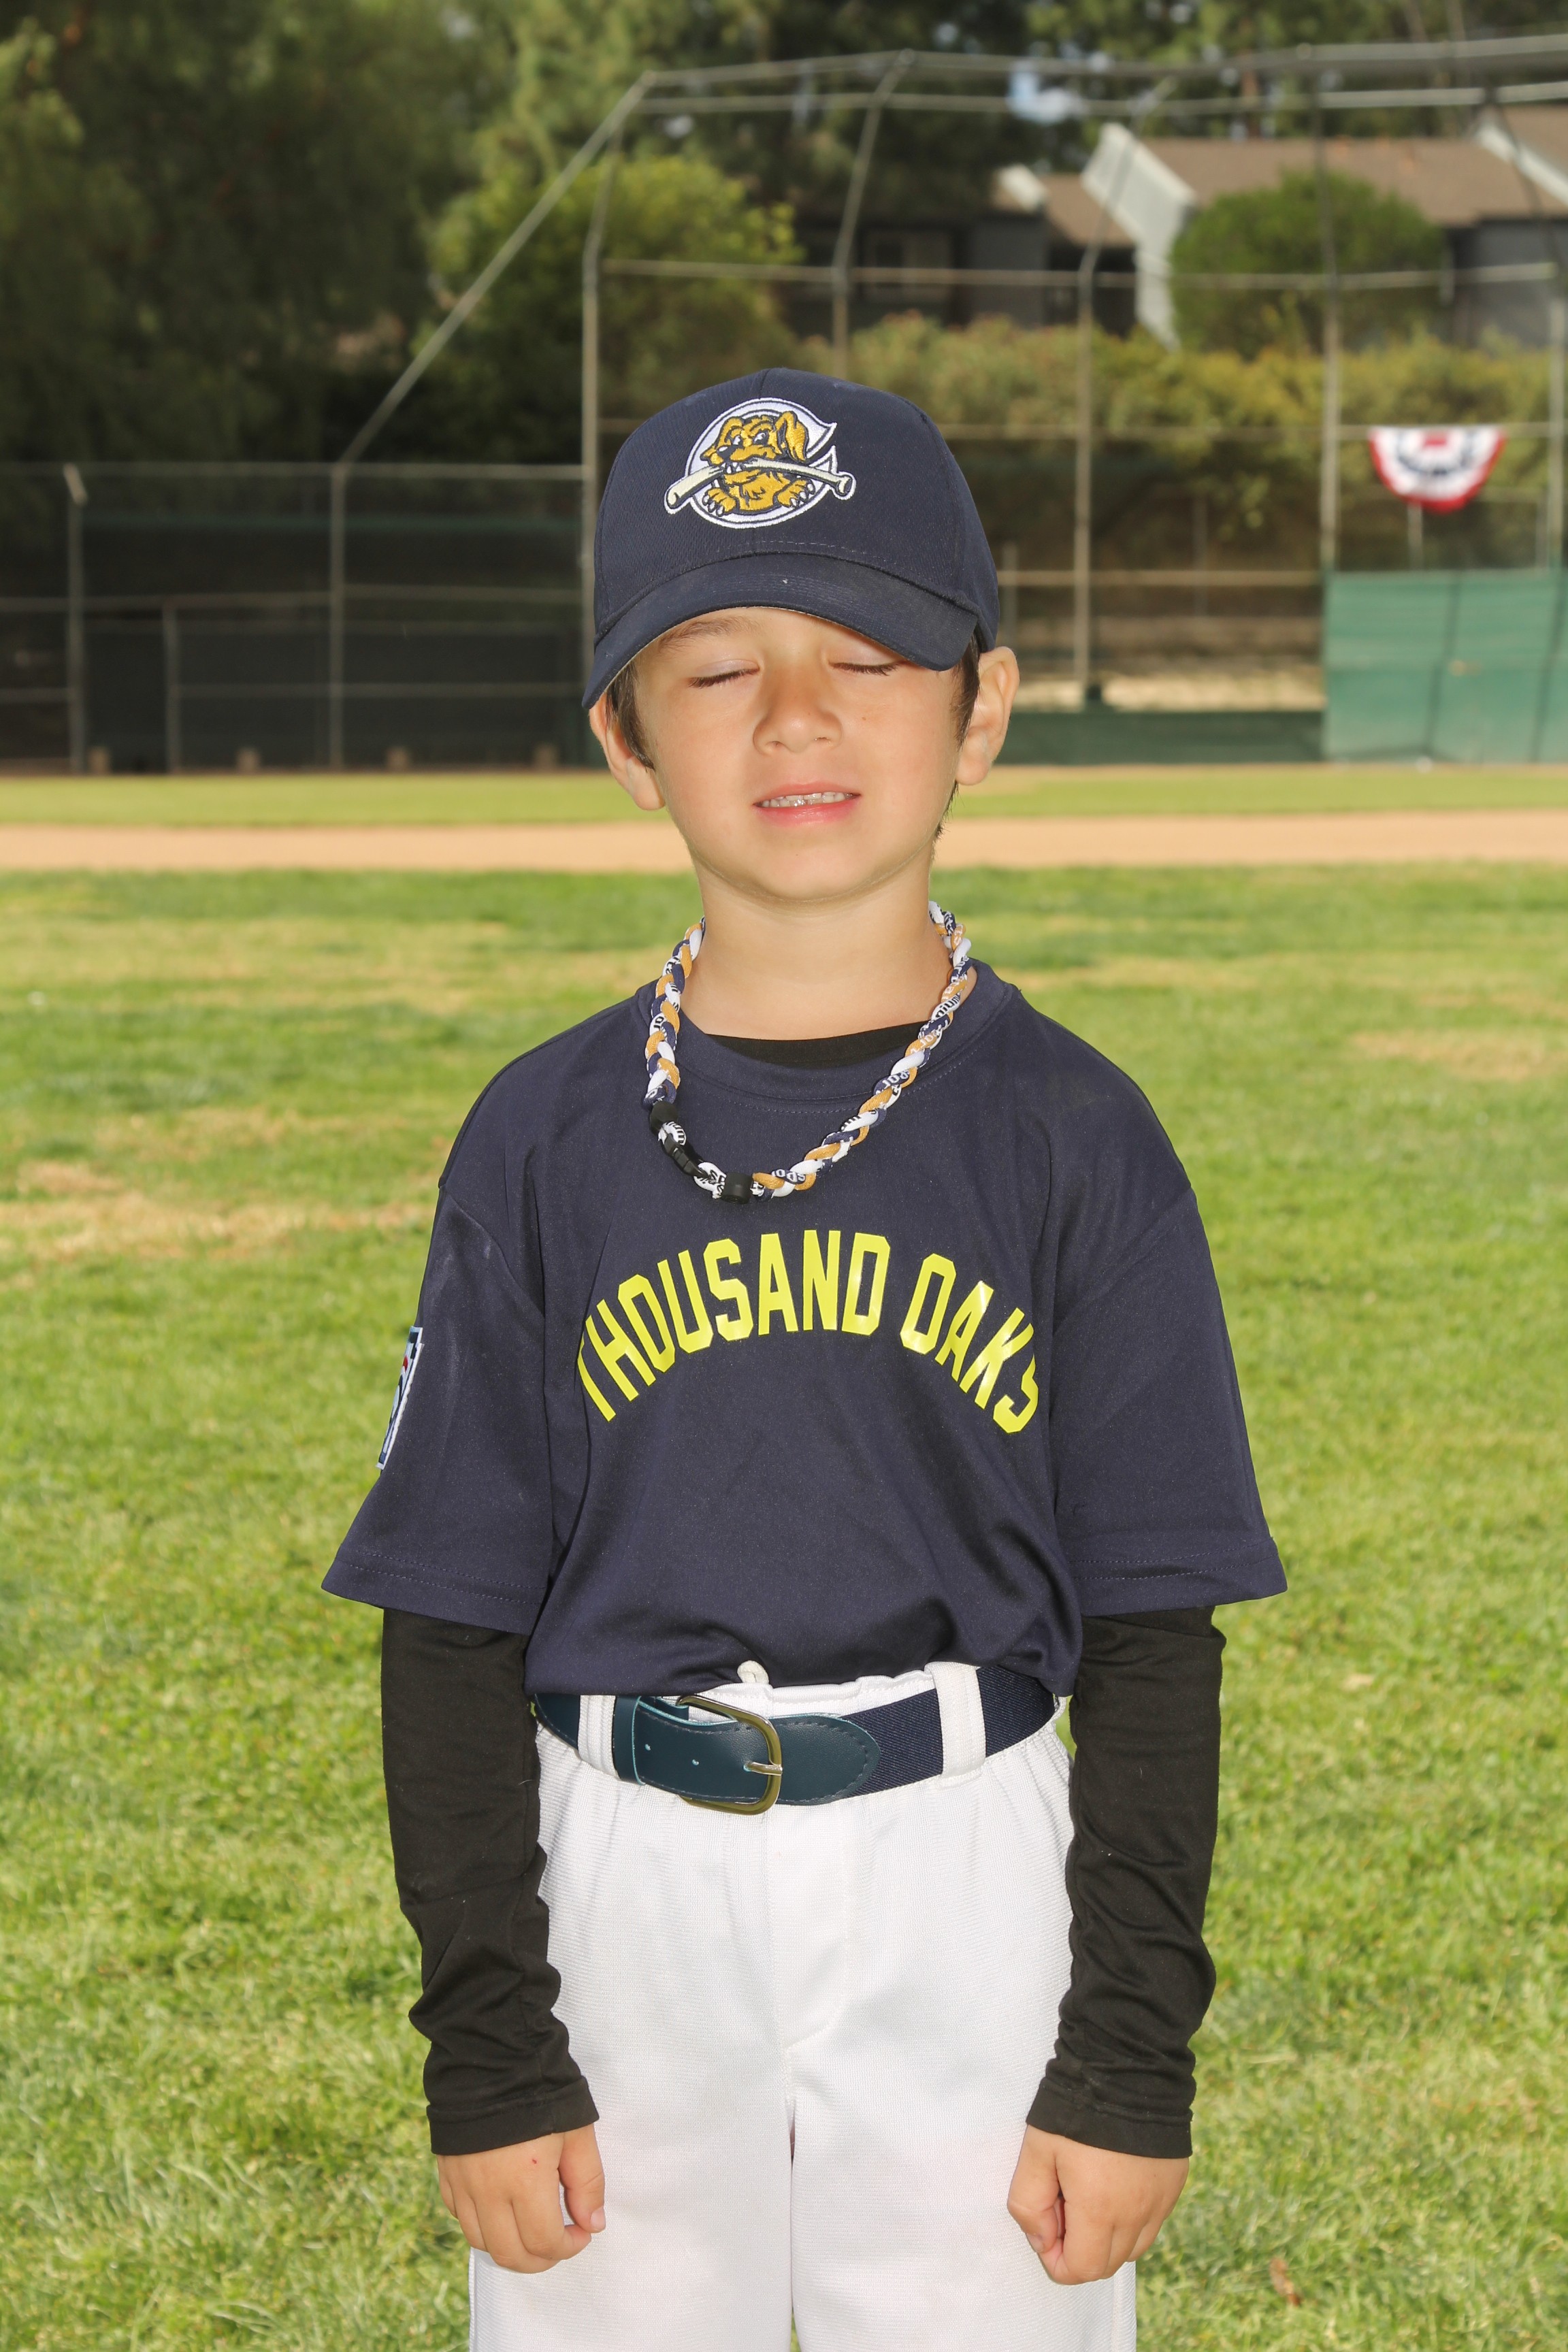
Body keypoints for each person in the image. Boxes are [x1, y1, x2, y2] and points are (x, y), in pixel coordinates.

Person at [324, 368, 1285, 2352]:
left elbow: (1156, 1632)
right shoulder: (541, 1135)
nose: (795, 718)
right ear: (623, 735)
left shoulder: (1077, 1136)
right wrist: (490, 2048)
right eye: (714, 668)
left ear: (982, 712)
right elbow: (446, 1620)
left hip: (968, 1871)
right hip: (619, 1891)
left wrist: (1126, 2058)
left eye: (867, 657)